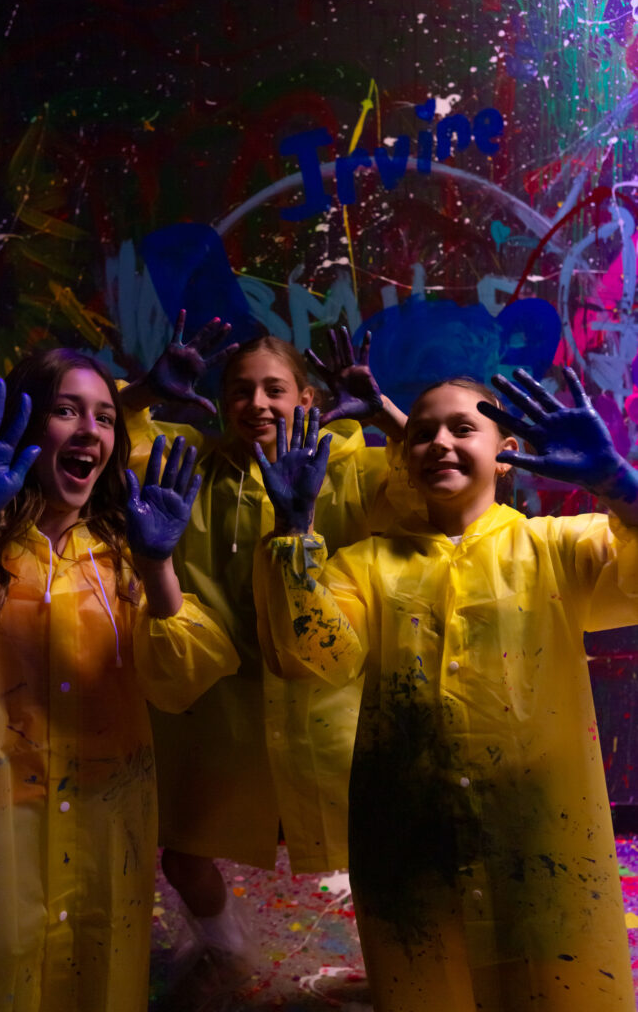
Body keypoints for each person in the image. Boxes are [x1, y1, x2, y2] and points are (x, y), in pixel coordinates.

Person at [252, 369, 638, 1011]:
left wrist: (620, 487)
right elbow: (315, 657)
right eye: (422, 432)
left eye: (463, 428)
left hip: (542, 837)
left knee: (553, 981)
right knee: (431, 979)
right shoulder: (366, 563)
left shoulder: (555, 547)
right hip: (410, 839)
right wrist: (295, 533)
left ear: (505, 456)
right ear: (403, 458)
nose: (438, 442)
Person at [0, 349, 239, 1012]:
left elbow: (182, 679)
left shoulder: (121, 557)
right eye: (66, 410)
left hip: (104, 823)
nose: (91, 430)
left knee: (98, 968)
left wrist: (158, 567)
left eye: (106, 418)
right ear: (28, 427)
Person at [120, 316, 409, 962]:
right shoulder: (188, 464)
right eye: (241, 391)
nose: (257, 404)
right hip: (221, 713)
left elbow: (424, 484)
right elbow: (104, 440)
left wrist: (385, 414)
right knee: (185, 854)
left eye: (275, 390)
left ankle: (397, 972)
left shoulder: (349, 466)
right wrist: (141, 393)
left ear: (307, 400)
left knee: (374, 849)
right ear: (221, 403)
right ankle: (229, 957)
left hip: (328, 707)